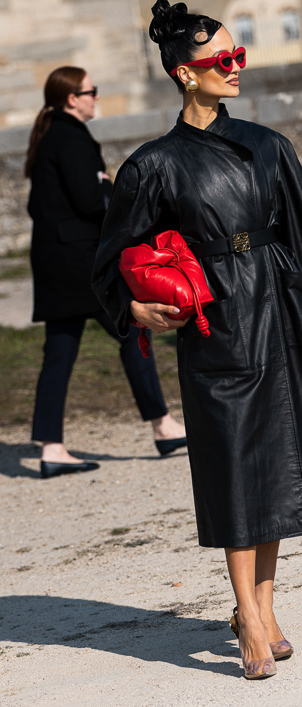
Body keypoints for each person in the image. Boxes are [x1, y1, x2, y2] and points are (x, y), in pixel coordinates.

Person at [92, 0, 302, 680]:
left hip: (283, 311)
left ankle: (263, 608)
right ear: (186, 73)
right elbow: (107, 258)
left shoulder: (270, 145)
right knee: (236, 468)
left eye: (240, 56)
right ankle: (245, 611)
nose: (237, 68)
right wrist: (134, 309)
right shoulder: (153, 165)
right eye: (224, 59)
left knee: (279, 464)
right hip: (220, 326)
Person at [25, 67, 186, 480]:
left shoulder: (49, 137)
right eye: (90, 92)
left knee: (59, 352)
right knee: (133, 329)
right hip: (79, 260)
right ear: (70, 99)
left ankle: (52, 448)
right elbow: (88, 198)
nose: (96, 97)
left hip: (53, 260)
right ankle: (163, 427)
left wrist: (101, 184)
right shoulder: (71, 137)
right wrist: (110, 188)